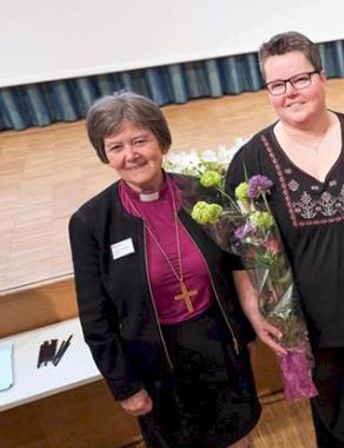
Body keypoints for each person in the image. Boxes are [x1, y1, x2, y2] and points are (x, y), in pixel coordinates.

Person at [224, 31, 344, 447]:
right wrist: (253, 309)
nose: (291, 93)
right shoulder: (250, 161)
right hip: (304, 329)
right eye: (277, 85)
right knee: (331, 427)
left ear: (322, 76)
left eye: (300, 79)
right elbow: (236, 254)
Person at [68, 92, 261, 447]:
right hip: (155, 364)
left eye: (140, 140)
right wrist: (124, 385)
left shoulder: (203, 195)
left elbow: (235, 271)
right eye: (116, 147)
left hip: (218, 347)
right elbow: (95, 317)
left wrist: (245, 335)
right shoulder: (91, 222)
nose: (131, 155)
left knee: (236, 438)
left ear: (162, 140)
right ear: (104, 155)